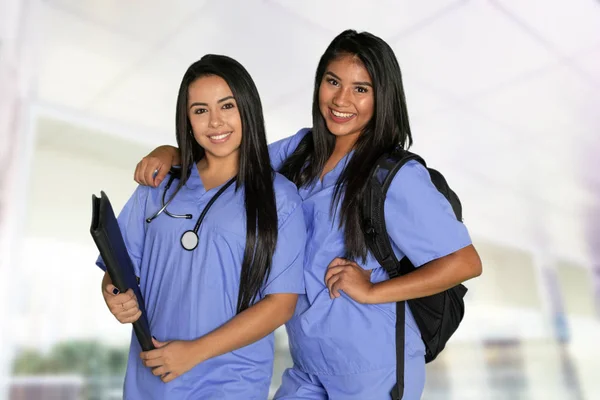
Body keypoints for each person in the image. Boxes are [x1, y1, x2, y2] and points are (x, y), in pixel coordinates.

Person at [134, 30, 482, 400]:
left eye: (361, 89)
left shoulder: (396, 176)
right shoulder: (300, 150)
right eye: (333, 82)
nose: (341, 99)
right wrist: (170, 151)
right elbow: (230, 159)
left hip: (374, 367)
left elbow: (464, 262)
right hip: (308, 364)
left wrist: (373, 290)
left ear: (383, 97)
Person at [96, 54, 306, 400]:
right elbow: (119, 264)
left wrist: (194, 351)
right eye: (200, 110)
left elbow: (281, 303)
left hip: (229, 381)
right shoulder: (159, 186)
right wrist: (113, 293)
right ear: (187, 119)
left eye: (227, 106)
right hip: (152, 377)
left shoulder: (279, 198)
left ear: (248, 109)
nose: (215, 122)